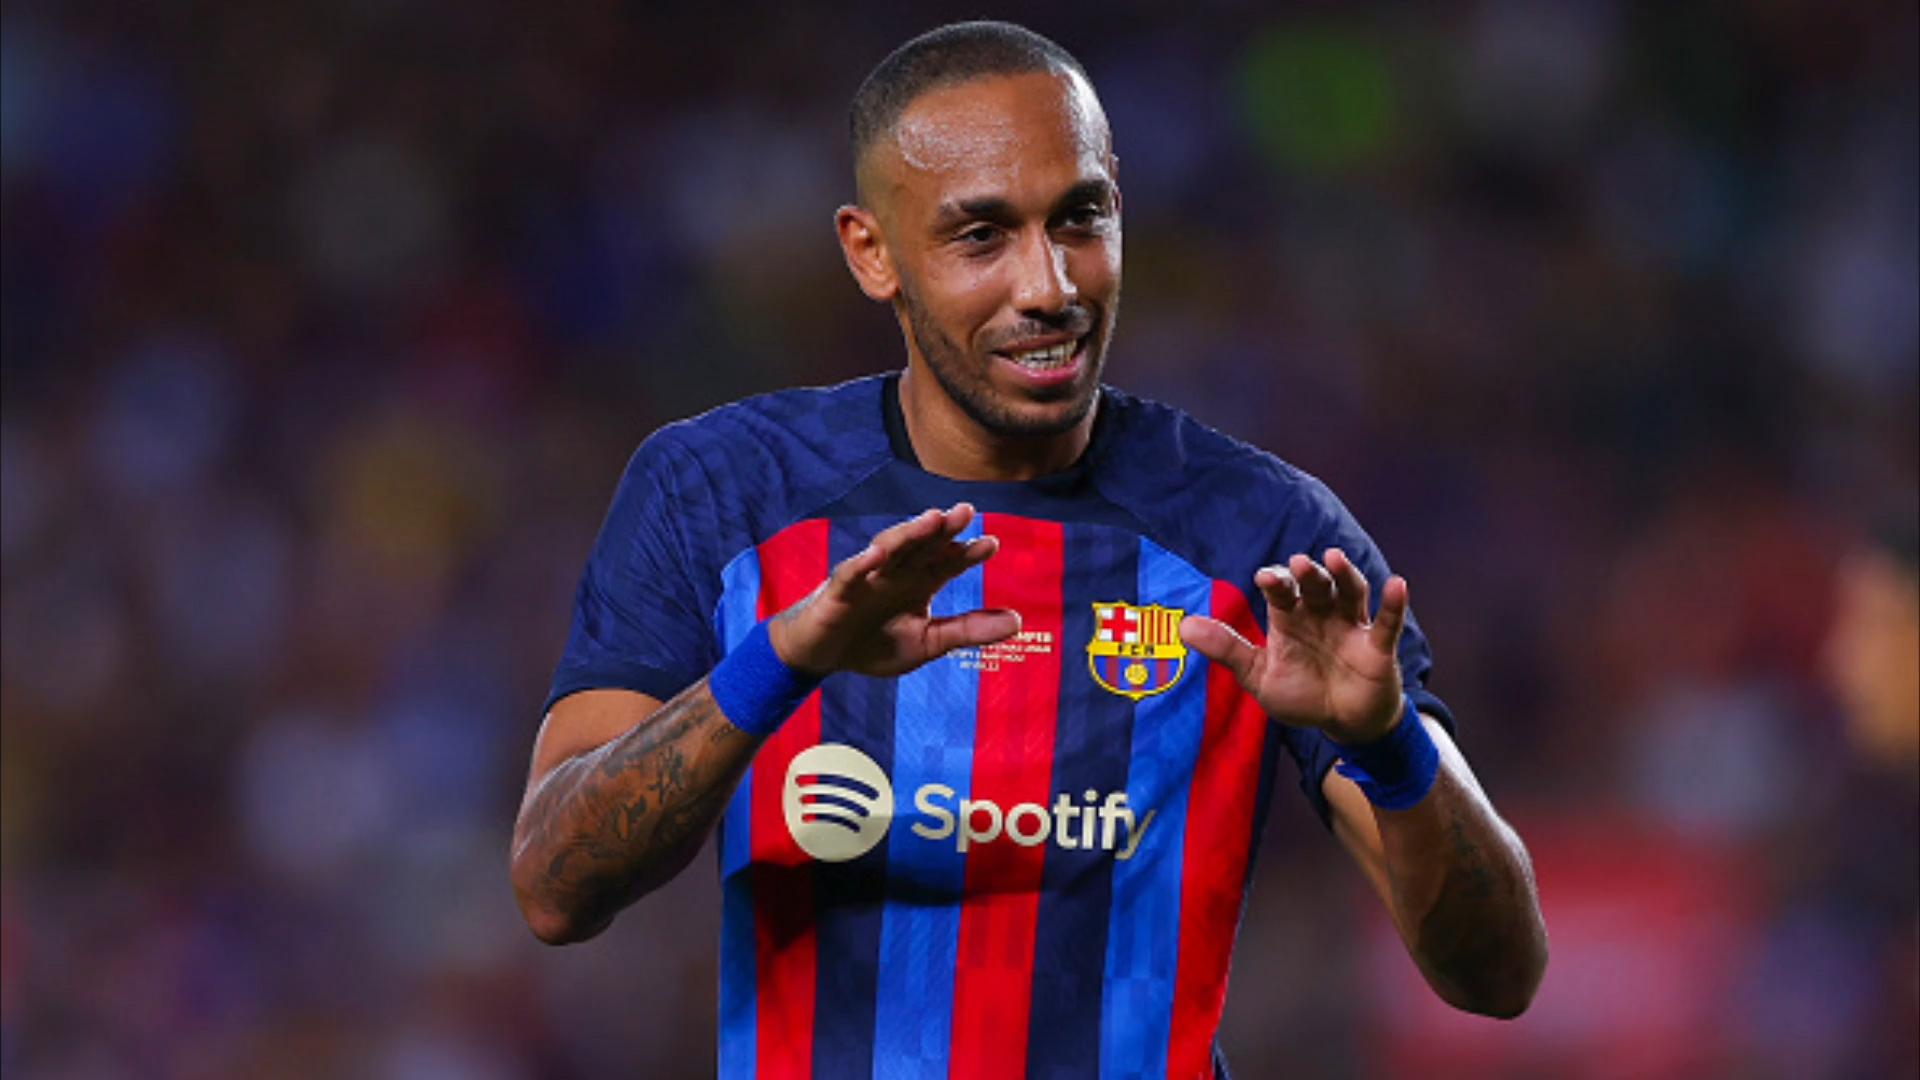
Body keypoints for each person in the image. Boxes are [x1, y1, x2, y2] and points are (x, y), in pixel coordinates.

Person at [511, 20, 1548, 1077]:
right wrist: (779, 662)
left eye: (1080, 219)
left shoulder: (1266, 538)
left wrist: (1389, 745)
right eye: (981, 236)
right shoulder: (720, 494)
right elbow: (554, 888)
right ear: (873, 253)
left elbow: (1501, 978)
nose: (1049, 285)